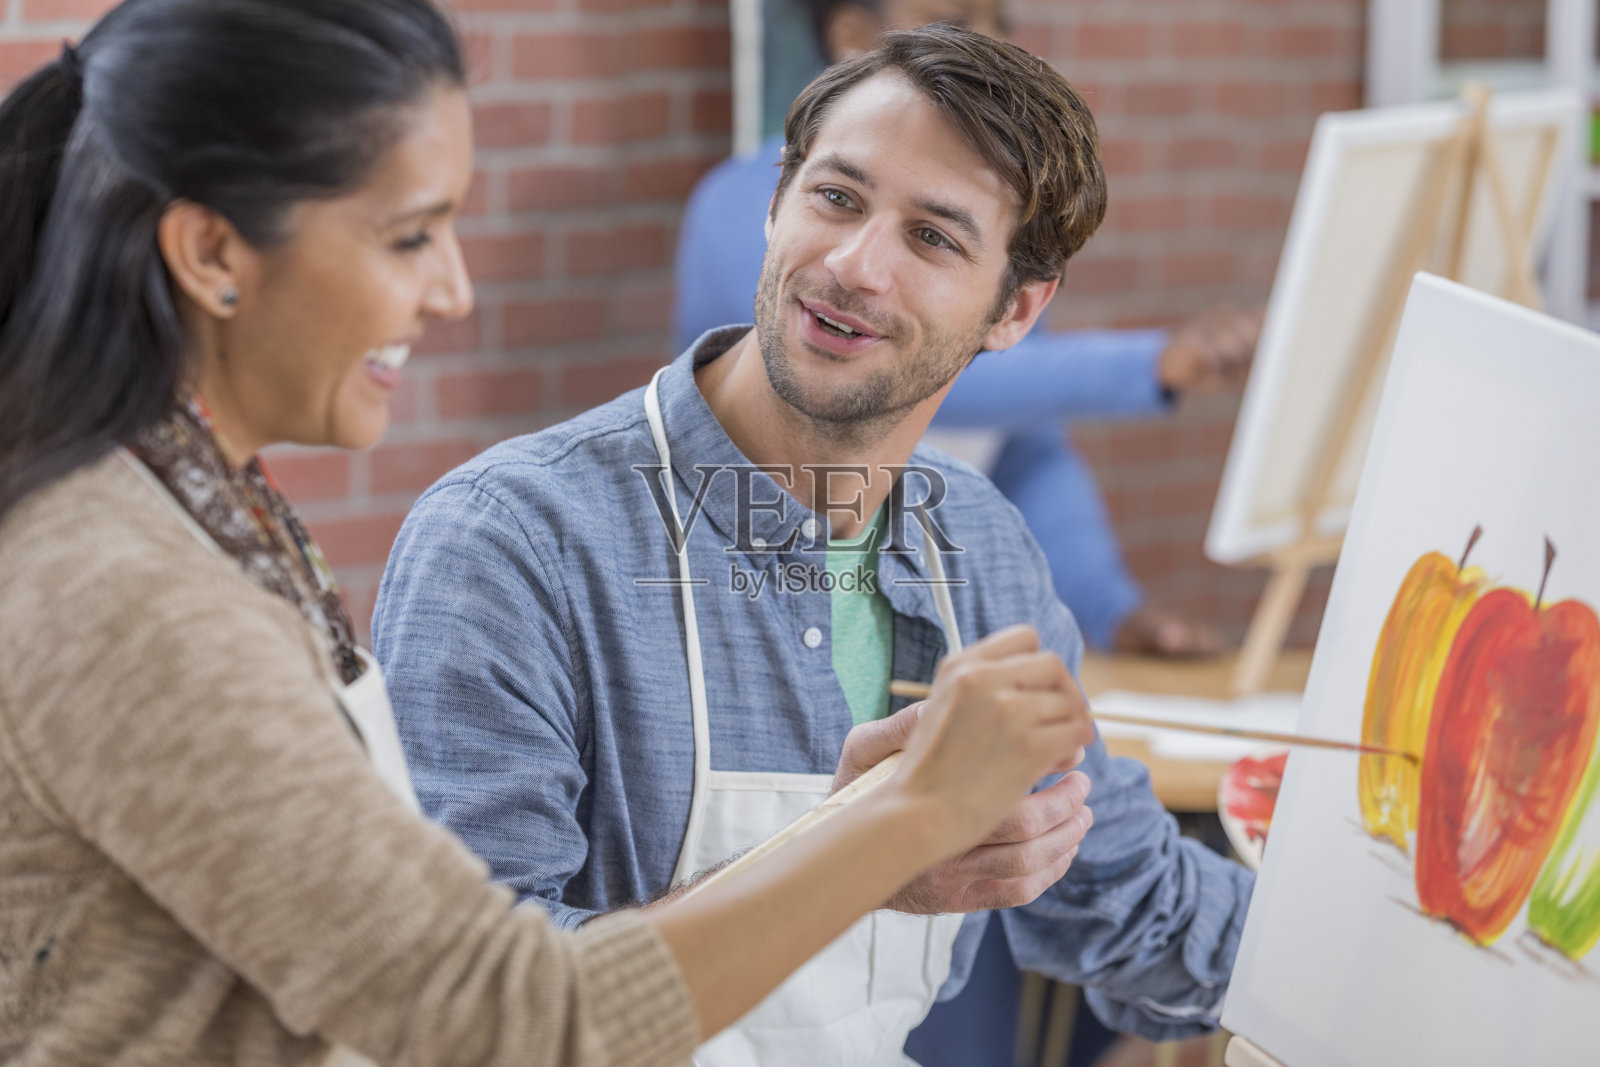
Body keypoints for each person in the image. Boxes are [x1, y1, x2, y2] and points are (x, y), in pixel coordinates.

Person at [0, 4, 1099, 1065]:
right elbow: (497, 1018)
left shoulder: (206, 516)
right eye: (409, 236)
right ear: (213, 253)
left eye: (931, 236)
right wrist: (897, 822)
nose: (454, 291)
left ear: (1018, 304)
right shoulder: (133, 595)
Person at [376, 26, 1255, 1067]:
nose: (853, 266)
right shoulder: (512, 543)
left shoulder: (977, 550)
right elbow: (475, 1022)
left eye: (933, 238)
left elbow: (1134, 903)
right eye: (836, 197)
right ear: (777, 200)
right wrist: (869, 846)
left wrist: (1403, 945)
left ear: (1015, 309)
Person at [675, 0, 1262, 659]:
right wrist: (1152, 364)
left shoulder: (977, 536)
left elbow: (1024, 443)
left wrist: (1111, 610)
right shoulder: (737, 203)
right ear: (854, 36)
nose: (988, 43)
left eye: (932, 237)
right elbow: (946, 383)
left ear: (1016, 312)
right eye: (954, 20)